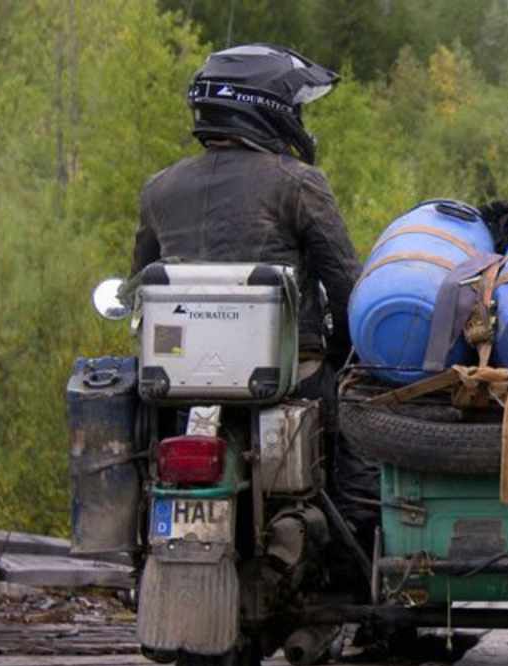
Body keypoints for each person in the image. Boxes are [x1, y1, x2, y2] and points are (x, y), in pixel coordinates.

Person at [130, 43, 359, 411]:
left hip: (178, 380)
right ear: (271, 109)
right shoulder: (298, 182)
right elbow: (345, 283)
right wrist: (346, 354)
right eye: (296, 109)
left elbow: (139, 285)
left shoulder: (159, 187)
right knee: (357, 434)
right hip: (291, 374)